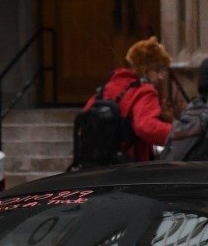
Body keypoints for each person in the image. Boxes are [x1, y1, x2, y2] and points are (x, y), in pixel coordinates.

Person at [71, 37, 175, 168]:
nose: (162, 76)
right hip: (129, 166)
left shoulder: (107, 87)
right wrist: (178, 133)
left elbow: (86, 117)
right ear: (145, 70)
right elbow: (147, 127)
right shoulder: (144, 91)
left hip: (98, 164)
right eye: (158, 70)